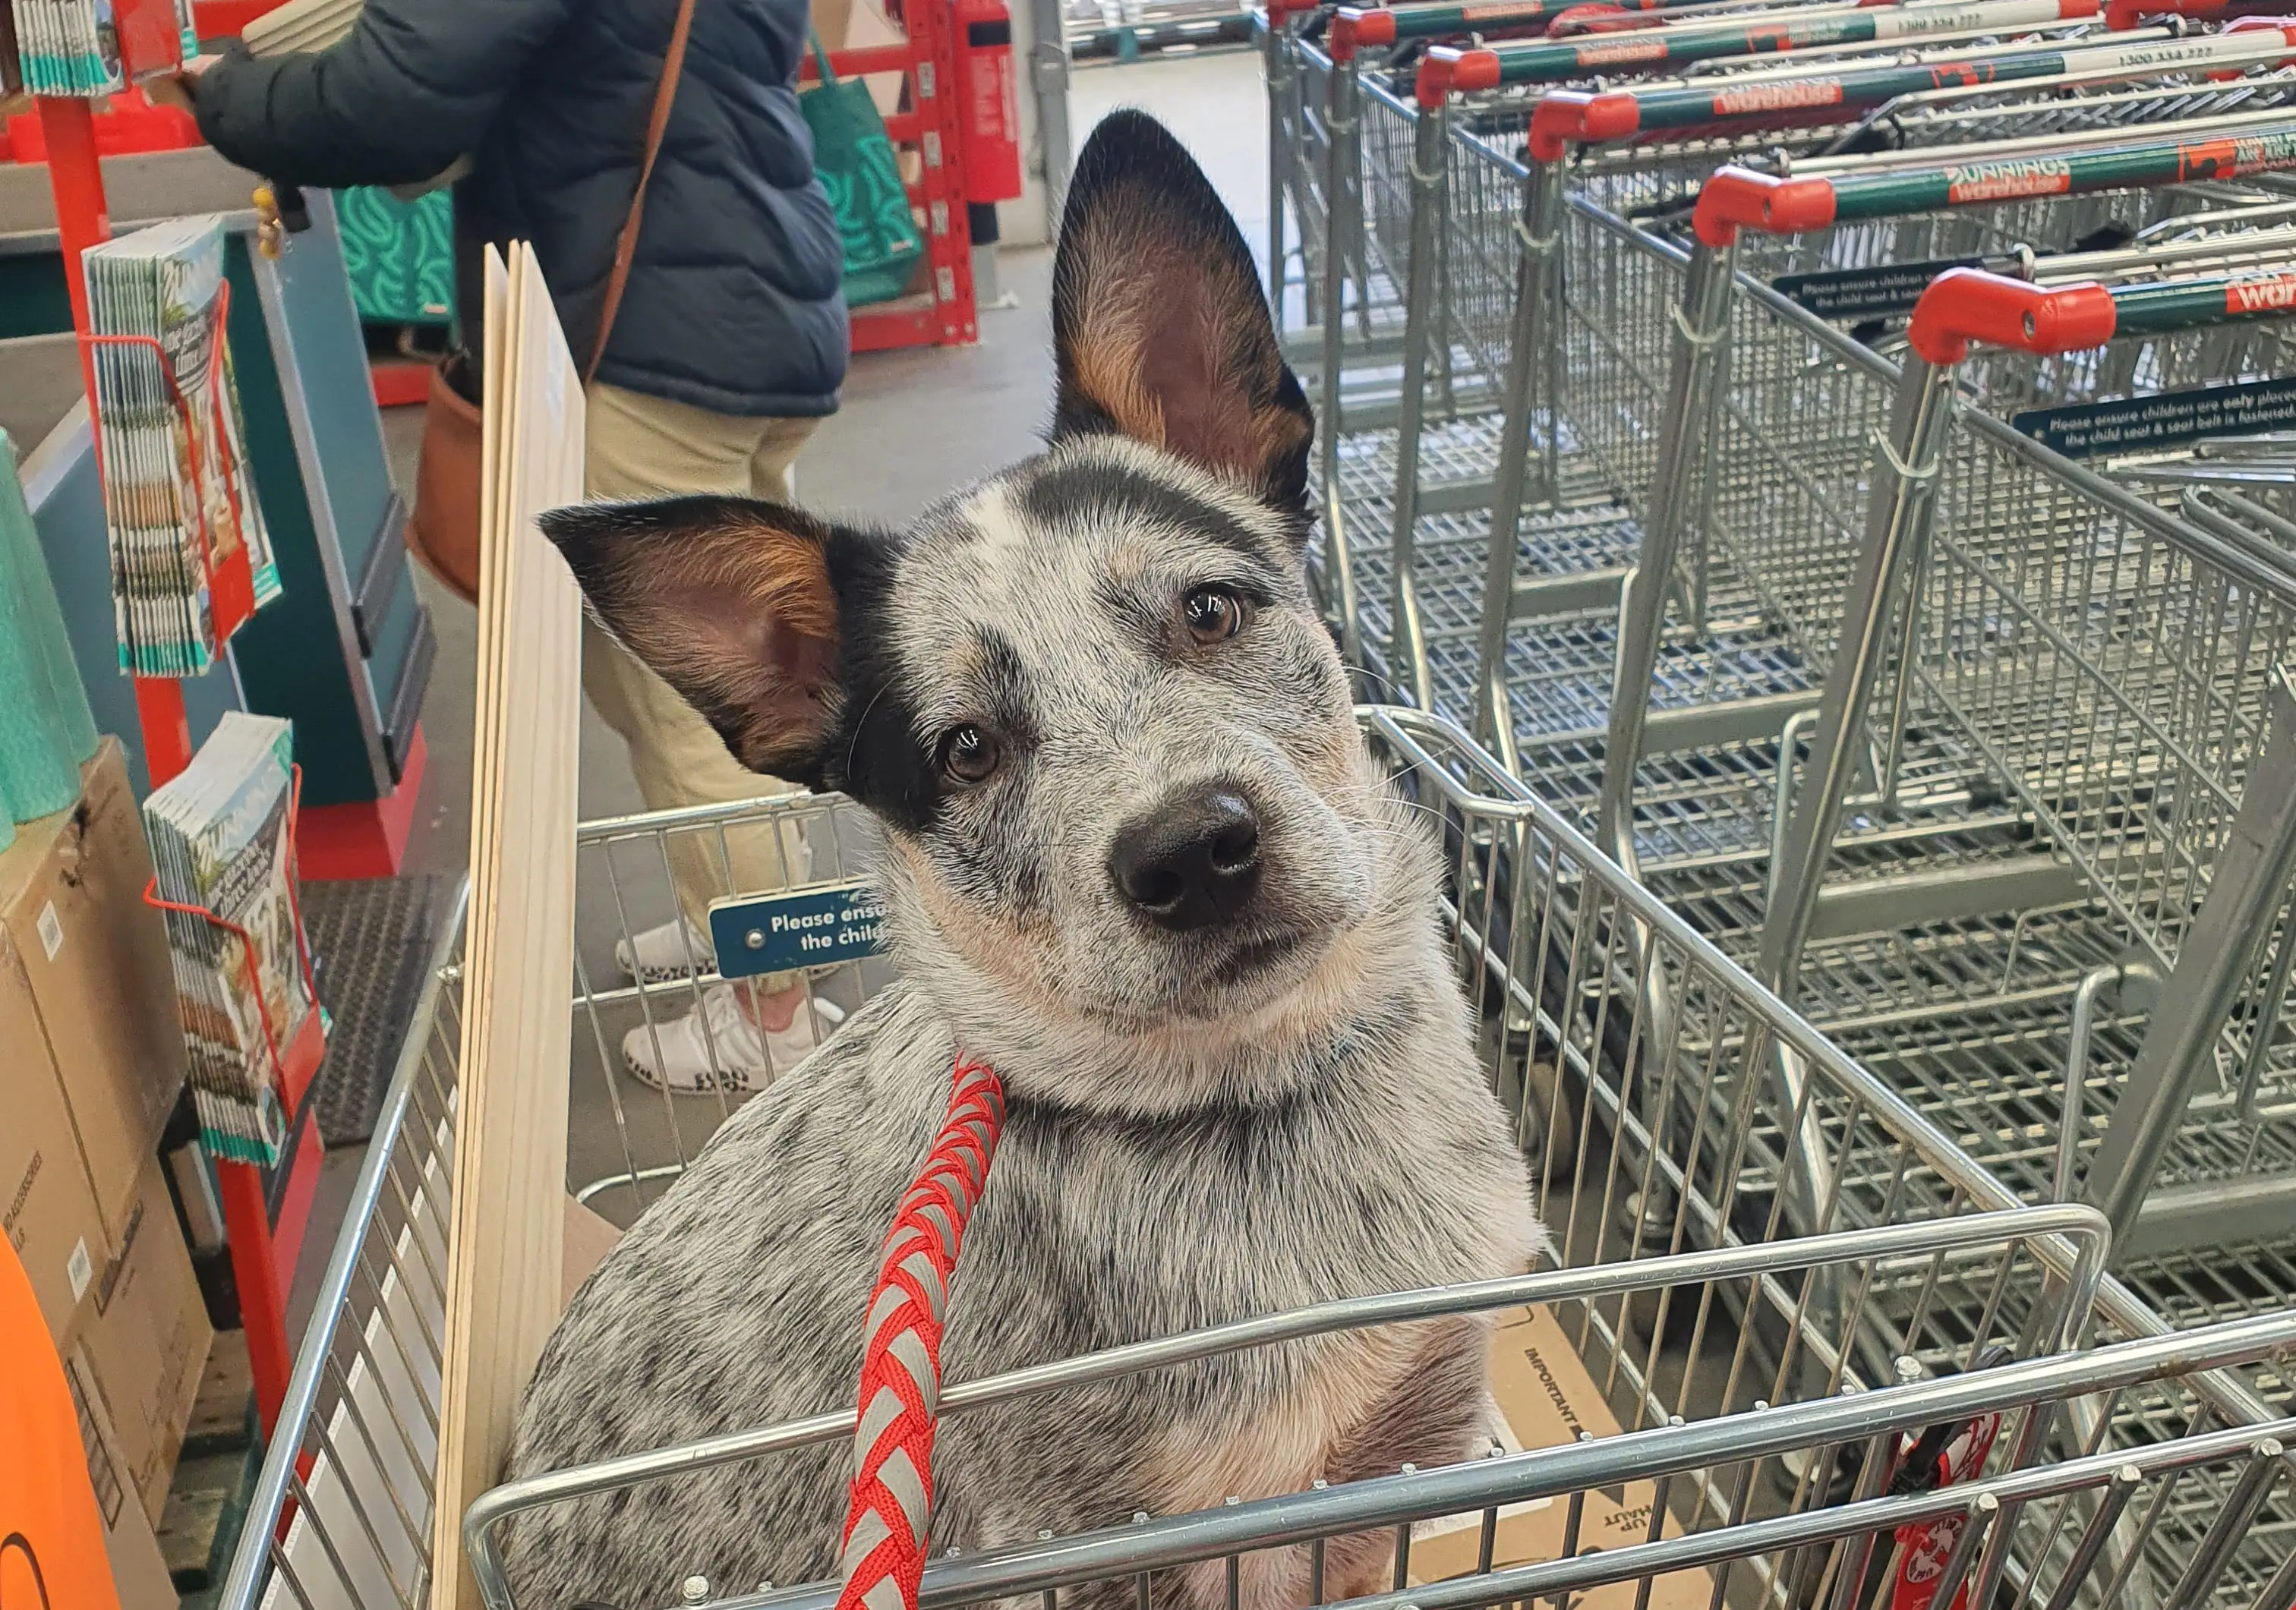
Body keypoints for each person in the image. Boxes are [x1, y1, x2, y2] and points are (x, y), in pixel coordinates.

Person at [175, 0, 851, 1095]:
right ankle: (735, 913)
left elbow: (395, 92)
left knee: (692, 698)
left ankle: (770, 1010)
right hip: (757, 303)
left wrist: (227, 95)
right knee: (718, 672)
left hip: (653, 333)